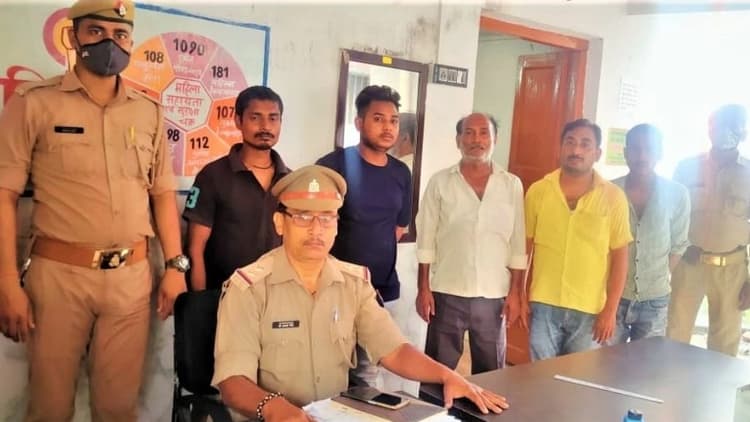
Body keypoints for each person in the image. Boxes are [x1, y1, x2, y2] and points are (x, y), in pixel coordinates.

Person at [0, 1, 188, 421]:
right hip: (58, 278)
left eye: (121, 35)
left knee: (118, 409)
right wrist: (7, 283)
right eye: (96, 32)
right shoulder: (34, 103)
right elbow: (4, 195)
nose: (110, 43)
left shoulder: (148, 111)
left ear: (131, 42)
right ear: (73, 37)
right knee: (49, 408)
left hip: (131, 280)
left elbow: (162, 194)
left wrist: (175, 266)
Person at [212, 165, 509, 421]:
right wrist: (277, 409)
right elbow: (232, 381)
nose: (316, 229)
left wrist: (449, 376)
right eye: (302, 216)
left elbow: (393, 350)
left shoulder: (354, 283)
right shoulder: (248, 288)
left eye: (326, 218)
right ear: (280, 223)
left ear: (336, 226)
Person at [316, 85, 411, 387]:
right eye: (378, 119)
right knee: (326, 375)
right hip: (333, 291)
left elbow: (398, 228)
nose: (388, 127)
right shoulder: (332, 167)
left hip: (380, 291)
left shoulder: (401, 173)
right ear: (359, 123)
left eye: (394, 121)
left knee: (368, 376)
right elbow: (315, 228)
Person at [415, 113, 526, 374]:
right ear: (458, 140)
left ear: (495, 139)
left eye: (484, 133)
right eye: (469, 132)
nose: (477, 139)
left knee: (491, 374)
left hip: (493, 295)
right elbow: (426, 238)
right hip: (447, 291)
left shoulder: (511, 185)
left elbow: (518, 243)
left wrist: (516, 292)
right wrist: (423, 288)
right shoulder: (440, 182)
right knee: (437, 373)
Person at [524, 119, 632, 360]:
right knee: (539, 375)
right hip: (543, 304)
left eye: (585, 144)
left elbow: (620, 258)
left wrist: (610, 310)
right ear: (560, 148)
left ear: (597, 153)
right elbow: (525, 248)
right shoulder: (538, 192)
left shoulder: (614, 198)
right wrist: (519, 294)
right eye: (570, 142)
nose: (576, 150)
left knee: (580, 377)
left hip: (590, 310)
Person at [183, 86, 291, 291]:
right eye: (255, 118)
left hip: (275, 294)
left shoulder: (290, 181)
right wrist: (200, 299)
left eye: (273, 118)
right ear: (238, 121)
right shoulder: (213, 176)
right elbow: (195, 249)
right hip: (223, 294)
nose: (265, 126)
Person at [667, 104, 750, 356]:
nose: (724, 131)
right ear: (709, 128)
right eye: (719, 124)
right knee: (674, 337)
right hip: (688, 265)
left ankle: (718, 385)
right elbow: (670, 216)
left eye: (732, 125)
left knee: (724, 346)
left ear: (743, 131)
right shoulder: (686, 167)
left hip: (732, 271)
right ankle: (670, 381)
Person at [611, 124, 690, 343]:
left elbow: (679, 244)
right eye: (635, 149)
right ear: (625, 153)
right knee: (607, 360)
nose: (642, 156)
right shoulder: (609, 191)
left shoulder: (678, 194)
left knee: (647, 361)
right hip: (613, 297)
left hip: (655, 300)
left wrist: (656, 277)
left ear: (660, 153)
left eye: (649, 149)